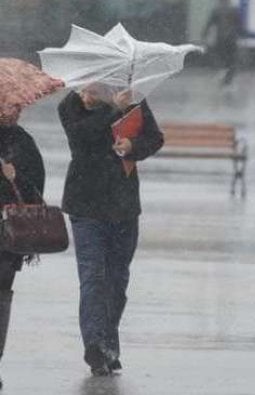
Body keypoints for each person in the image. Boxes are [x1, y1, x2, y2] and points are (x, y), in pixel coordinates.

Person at [58, 84, 164, 376]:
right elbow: (82, 137)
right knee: (93, 275)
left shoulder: (132, 100)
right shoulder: (70, 106)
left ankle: (107, 343)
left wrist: (134, 147)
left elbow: (154, 138)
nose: (93, 88)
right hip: (86, 205)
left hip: (123, 205)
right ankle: (94, 345)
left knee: (117, 279)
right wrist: (112, 110)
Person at [0, 108, 45, 389]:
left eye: (17, 107)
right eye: (7, 106)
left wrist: (14, 176)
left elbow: (35, 191)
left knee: (2, 294)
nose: (12, 112)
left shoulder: (23, 142)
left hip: (9, 235)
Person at [202, 0, 242, 86]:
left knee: (222, 57)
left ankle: (224, 73)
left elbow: (210, 23)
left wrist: (204, 33)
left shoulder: (217, 10)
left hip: (221, 38)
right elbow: (239, 24)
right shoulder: (234, 10)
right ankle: (228, 77)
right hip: (231, 38)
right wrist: (241, 35)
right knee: (232, 59)